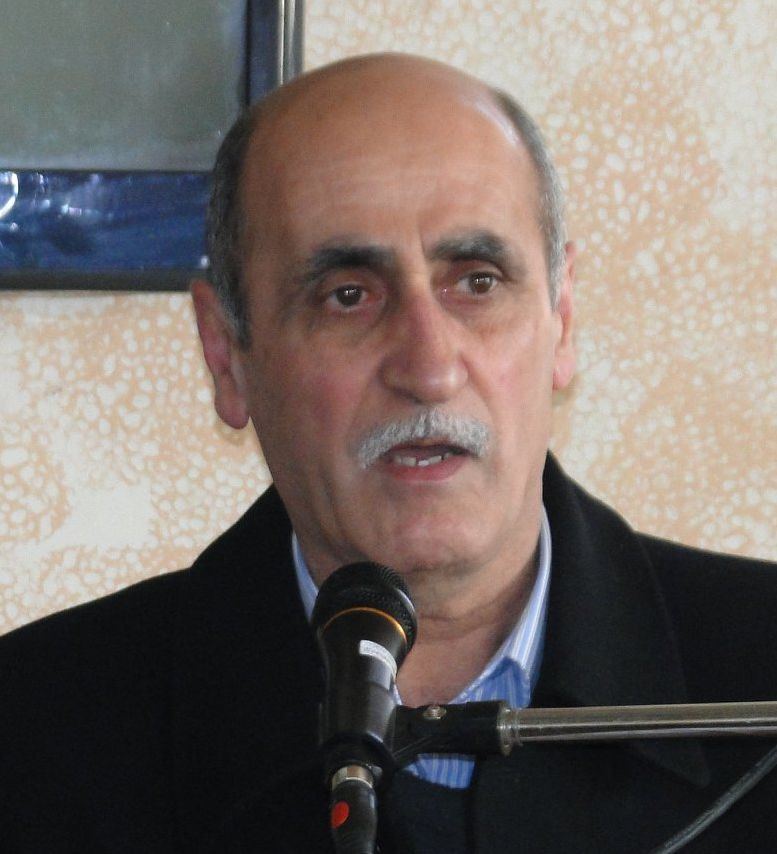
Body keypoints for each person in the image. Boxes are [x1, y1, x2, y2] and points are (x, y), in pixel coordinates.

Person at [1, 53, 776, 853]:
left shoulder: (758, 682)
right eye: (348, 296)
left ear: (562, 318)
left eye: (477, 282)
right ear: (226, 355)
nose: (428, 369)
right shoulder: (35, 739)